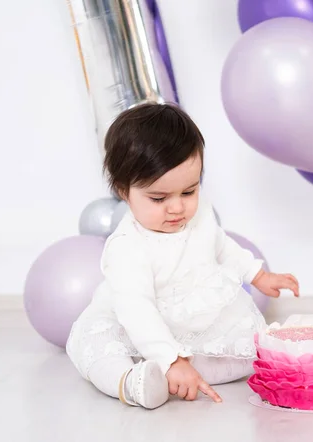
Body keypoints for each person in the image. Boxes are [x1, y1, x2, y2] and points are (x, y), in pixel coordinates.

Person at [66, 102, 299, 409]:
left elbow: (221, 246)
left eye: (189, 192)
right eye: (159, 198)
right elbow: (137, 310)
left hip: (190, 319)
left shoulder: (199, 214)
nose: (177, 208)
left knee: (247, 351)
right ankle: (131, 382)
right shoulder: (127, 247)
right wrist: (169, 357)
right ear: (124, 190)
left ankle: (182, 372)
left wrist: (258, 275)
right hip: (137, 321)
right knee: (96, 350)